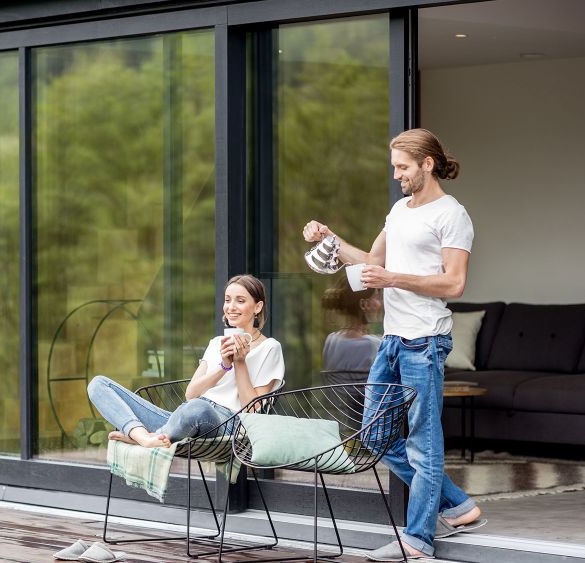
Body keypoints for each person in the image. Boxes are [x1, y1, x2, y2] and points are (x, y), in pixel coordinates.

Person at [302, 128, 484, 561]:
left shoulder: (452, 215)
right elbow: (371, 261)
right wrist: (329, 239)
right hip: (393, 341)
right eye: (394, 167)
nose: (397, 175)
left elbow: (454, 283)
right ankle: (458, 504)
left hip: (426, 341)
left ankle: (418, 539)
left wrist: (392, 279)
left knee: (423, 442)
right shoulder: (399, 210)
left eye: (403, 167)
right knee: (375, 434)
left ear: (427, 164)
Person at [87, 274, 285, 448]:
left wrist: (240, 362)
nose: (231, 307)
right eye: (227, 300)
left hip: (226, 424)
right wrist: (224, 366)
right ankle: (143, 437)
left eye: (240, 301)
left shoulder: (270, 347)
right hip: (182, 419)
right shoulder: (216, 343)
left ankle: (151, 436)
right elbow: (191, 393)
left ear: (257, 307)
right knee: (99, 384)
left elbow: (251, 410)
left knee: (198, 408)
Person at [321, 276, 382, 372]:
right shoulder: (375, 345)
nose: (380, 304)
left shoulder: (331, 340)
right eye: (377, 297)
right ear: (363, 304)